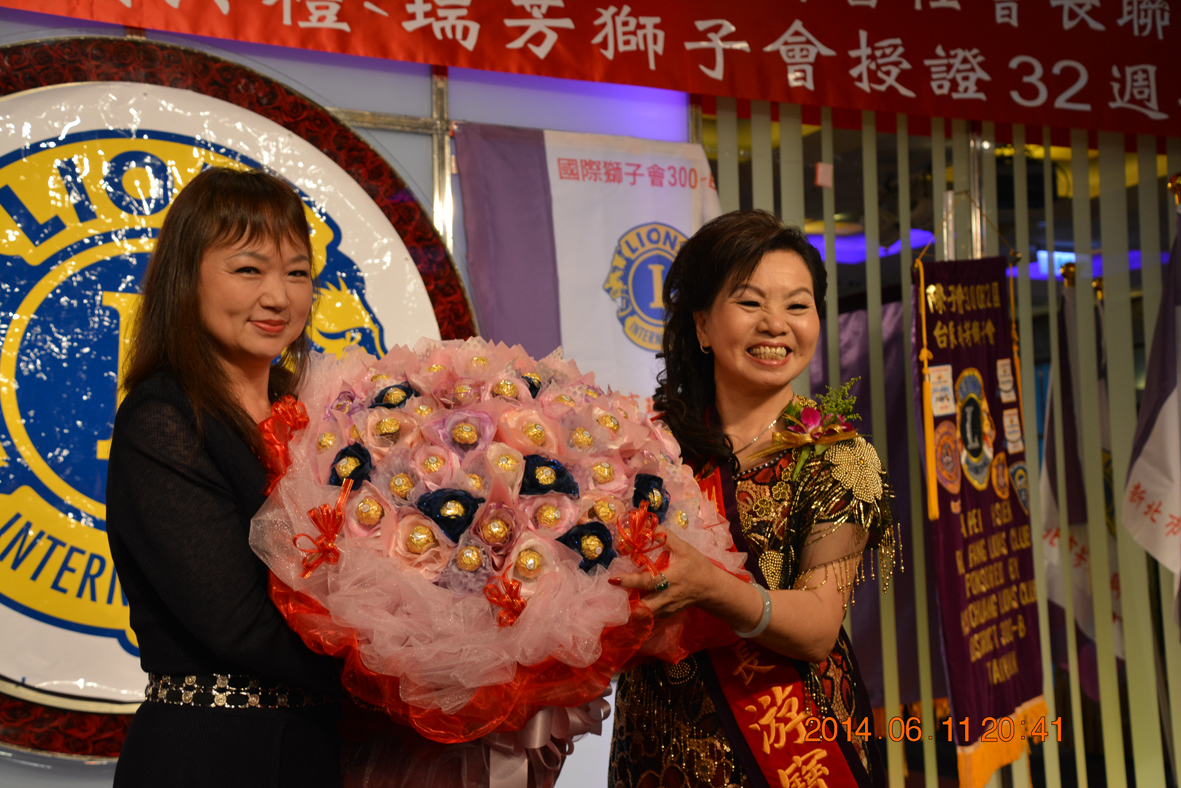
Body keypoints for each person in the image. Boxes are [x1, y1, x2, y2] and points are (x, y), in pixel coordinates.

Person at [608, 211, 894, 788]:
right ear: (702, 326)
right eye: (749, 302)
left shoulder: (840, 457)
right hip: (654, 746)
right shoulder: (645, 447)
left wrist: (712, 587)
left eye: (797, 305)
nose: (775, 325)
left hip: (792, 746)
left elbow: (818, 625)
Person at [106, 166, 342, 787]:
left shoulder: (321, 417)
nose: (279, 297)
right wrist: (413, 674)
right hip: (210, 753)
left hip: (319, 752)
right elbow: (240, 626)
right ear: (187, 278)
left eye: (297, 273)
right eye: (248, 269)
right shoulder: (164, 418)